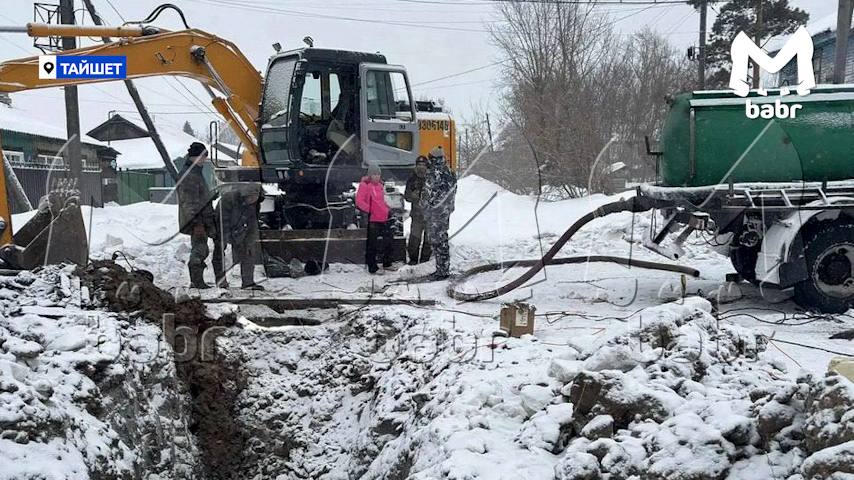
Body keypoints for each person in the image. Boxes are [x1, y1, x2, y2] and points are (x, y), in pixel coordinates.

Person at [176, 142, 225, 289]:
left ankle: (197, 280)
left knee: (201, 248)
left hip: (202, 218)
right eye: (203, 157)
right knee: (200, 249)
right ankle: (196, 281)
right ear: (195, 157)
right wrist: (196, 223)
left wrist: (210, 196)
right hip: (197, 220)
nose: (204, 160)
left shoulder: (195, 172)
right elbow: (189, 202)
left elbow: (199, 197)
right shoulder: (189, 175)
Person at [420, 146, 457, 280]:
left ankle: (441, 271)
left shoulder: (434, 173)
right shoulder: (450, 172)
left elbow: (427, 194)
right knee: (443, 239)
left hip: (435, 213)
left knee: (437, 241)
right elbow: (452, 192)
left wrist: (424, 208)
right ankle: (443, 268)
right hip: (445, 211)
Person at [218, 186, 265, 290]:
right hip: (221, 227)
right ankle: (221, 281)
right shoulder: (228, 200)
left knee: (248, 251)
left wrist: (248, 241)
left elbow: (253, 223)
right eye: (251, 198)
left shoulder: (255, 204)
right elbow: (222, 221)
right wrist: (227, 237)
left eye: (255, 197)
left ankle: (248, 282)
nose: (253, 200)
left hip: (241, 228)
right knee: (219, 252)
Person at [356, 164, 394, 274]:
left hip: (384, 217)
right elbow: (359, 201)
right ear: (370, 175)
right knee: (372, 244)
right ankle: (372, 267)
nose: (377, 176)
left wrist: (388, 210)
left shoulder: (380, 186)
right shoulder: (364, 185)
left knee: (388, 240)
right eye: (374, 174)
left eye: (378, 174)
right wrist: (370, 209)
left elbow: (383, 201)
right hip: (373, 219)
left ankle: (387, 263)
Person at [404, 156, 431, 265]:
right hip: (417, 215)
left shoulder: (431, 179)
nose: (421, 167)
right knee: (414, 239)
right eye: (419, 165)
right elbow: (406, 196)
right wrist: (412, 195)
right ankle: (413, 260)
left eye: (423, 165)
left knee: (428, 240)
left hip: (429, 215)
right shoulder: (412, 179)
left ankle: (425, 261)